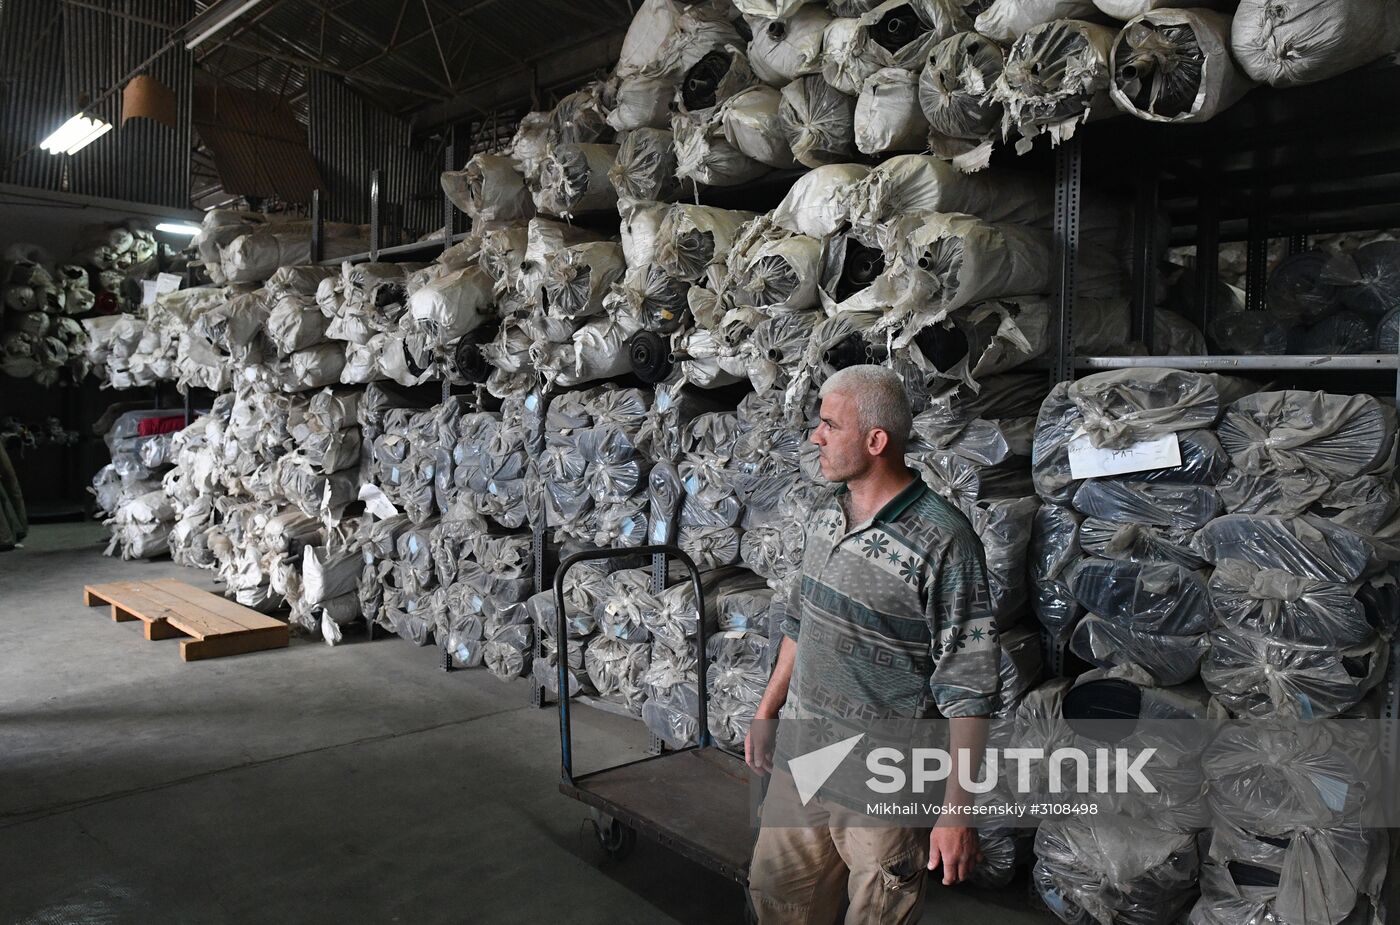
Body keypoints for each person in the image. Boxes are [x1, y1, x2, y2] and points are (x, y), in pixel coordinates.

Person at [746, 365, 1000, 925]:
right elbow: (799, 620)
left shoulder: (945, 542)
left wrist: (958, 813)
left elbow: (969, 688)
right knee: (777, 900)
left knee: (878, 913)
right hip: (803, 760)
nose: (817, 435)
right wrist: (768, 709)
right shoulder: (823, 516)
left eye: (829, 424)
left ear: (875, 441)